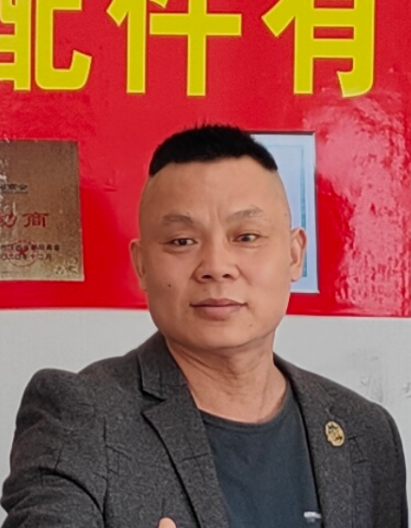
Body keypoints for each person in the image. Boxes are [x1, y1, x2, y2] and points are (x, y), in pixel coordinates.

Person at [1, 125, 408, 528]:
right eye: (182, 241)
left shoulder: (365, 433)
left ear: (294, 254)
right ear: (142, 265)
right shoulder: (79, 417)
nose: (216, 266)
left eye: (246, 236)